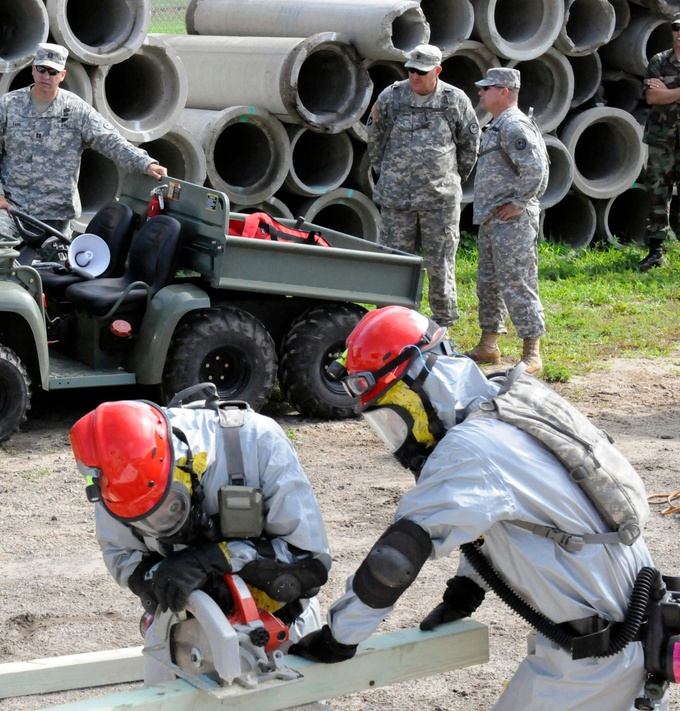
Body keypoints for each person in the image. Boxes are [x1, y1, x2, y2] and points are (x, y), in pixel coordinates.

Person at [289, 306, 667, 710]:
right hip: (631, 634)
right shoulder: (504, 400)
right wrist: (466, 589)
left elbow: (395, 558)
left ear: (416, 385)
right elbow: (508, 516)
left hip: (596, 660)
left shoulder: (469, 449)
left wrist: (339, 637)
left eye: (390, 412)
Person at [69, 387, 331, 642]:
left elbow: (310, 563)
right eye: (145, 520)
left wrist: (211, 559)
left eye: (170, 507)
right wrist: (160, 577)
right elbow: (123, 556)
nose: (161, 525)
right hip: (185, 640)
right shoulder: (113, 477)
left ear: (184, 468)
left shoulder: (257, 441)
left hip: (280, 629)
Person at [0, 43, 168, 256]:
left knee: (57, 272)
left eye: (52, 72)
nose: (45, 76)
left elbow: (110, 140)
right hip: (13, 208)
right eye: (41, 69)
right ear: (32, 69)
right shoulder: (8, 106)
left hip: (56, 214)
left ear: (62, 75)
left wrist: (144, 162)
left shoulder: (76, 111)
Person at [367, 44, 480, 329]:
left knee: (440, 263)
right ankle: (391, 322)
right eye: (411, 70)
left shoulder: (454, 100)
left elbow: (469, 145)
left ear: (437, 71)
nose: (414, 75)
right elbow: (376, 139)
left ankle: (443, 323)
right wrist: (392, 175)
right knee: (393, 263)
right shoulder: (391, 97)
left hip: (439, 201)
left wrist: (449, 178)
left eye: (421, 71)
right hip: (397, 200)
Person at [466, 67, 548, 375]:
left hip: (512, 222)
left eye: (487, 88)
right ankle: (489, 345)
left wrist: (519, 203)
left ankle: (532, 353)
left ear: (504, 92)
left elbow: (537, 169)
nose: (481, 92)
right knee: (488, 283)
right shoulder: (498, 124)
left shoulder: (514, 125)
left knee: (518, 281)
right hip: (492, 219)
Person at [638, 12, 680, 272]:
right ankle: (655, 251)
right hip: (662, 141)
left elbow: (662, 94)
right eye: (675, 29)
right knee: (657, 195)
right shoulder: (659, 61)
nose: (679, 33)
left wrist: (670, 92)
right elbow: (652, 97)